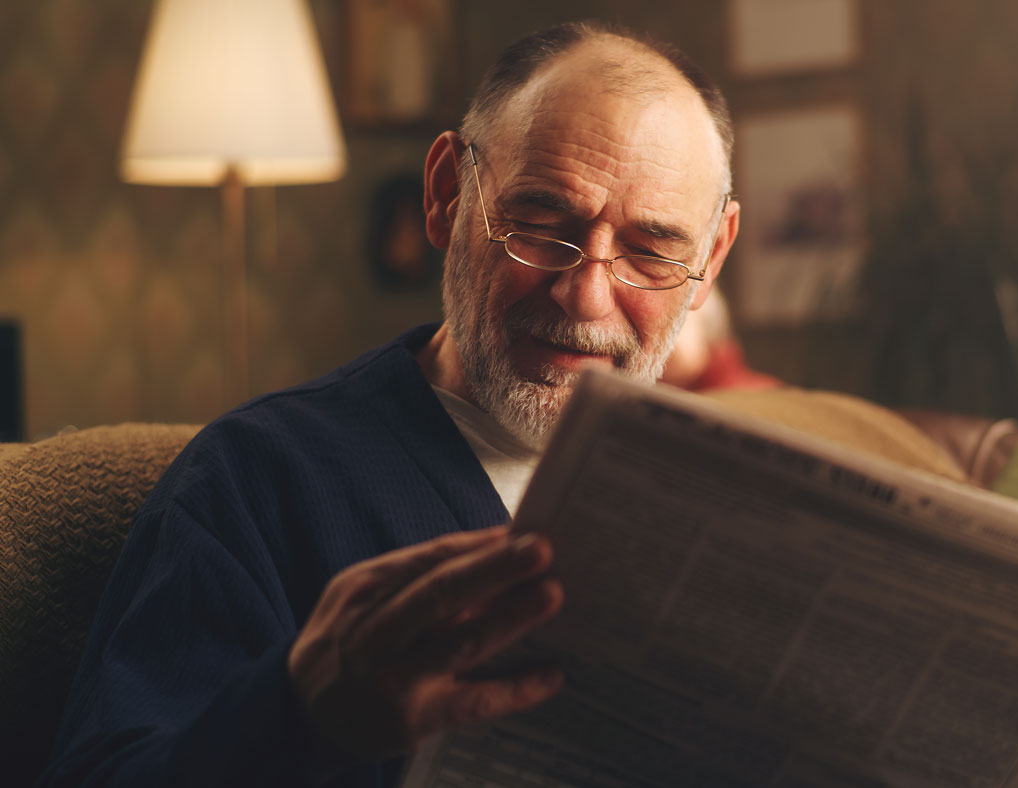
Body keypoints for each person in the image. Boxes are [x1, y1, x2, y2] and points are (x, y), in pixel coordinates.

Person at [40, 22, 739, 787]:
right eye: (541, 223)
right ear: (445, 195)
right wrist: (300, 714)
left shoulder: (727, 497)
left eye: (651, 251)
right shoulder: (258, 478)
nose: (587, 293)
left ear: (710, 260)